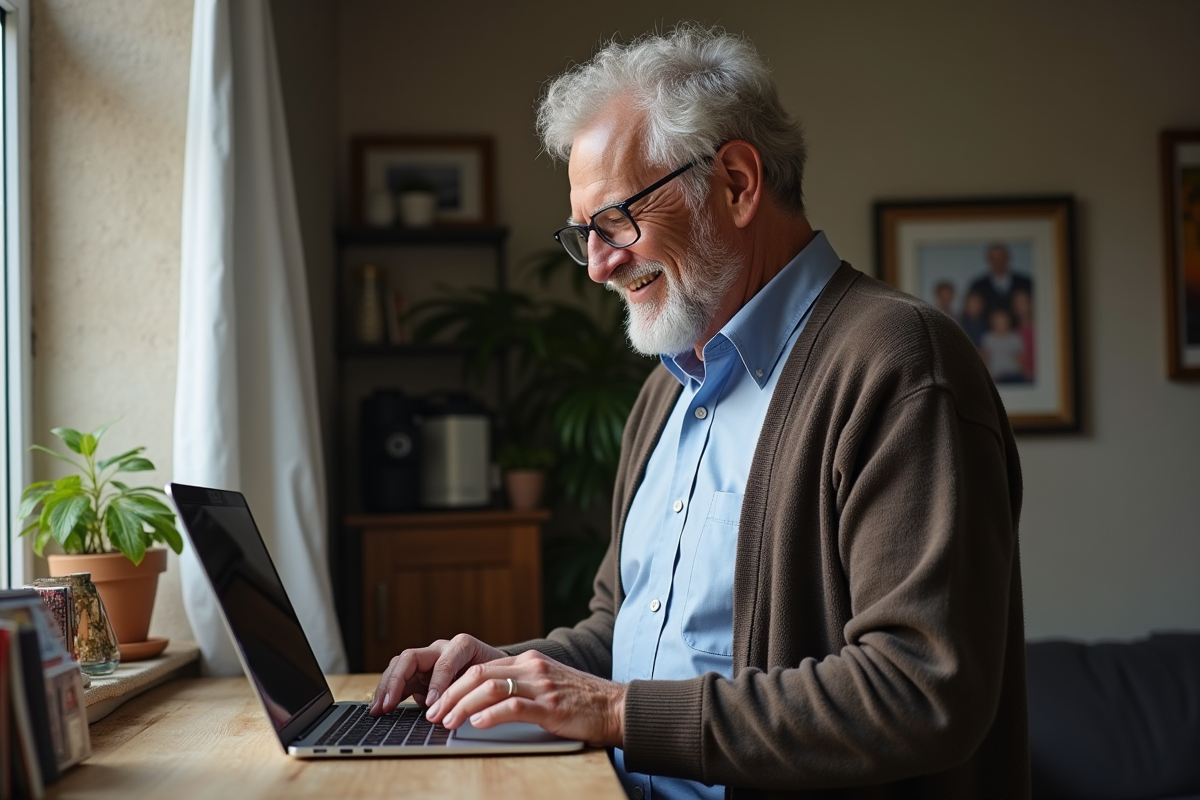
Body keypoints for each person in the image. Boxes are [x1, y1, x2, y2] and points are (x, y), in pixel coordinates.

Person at [371, 25, 1029, 799]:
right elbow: (624, 632)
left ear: (738, 183)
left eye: (615, 220)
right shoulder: (667, 390)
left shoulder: (899, 362)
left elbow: (919, 690)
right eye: (583, 234)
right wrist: (508, 671)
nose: (598, 266)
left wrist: (613, 712)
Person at [968, 243, 1033, 325]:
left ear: (1008, 259)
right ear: (988, 261)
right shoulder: (978, 286)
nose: (998, 262)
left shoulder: (1025, 283)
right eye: (994, 259)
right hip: (986, 331)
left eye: (1001, 258)